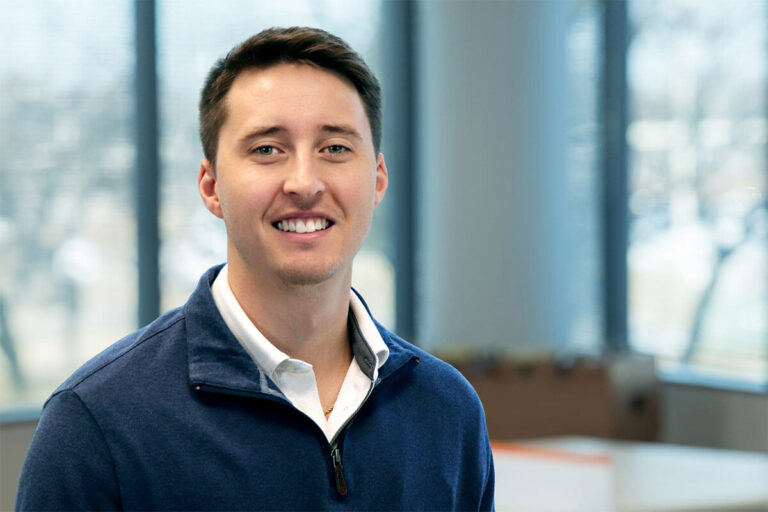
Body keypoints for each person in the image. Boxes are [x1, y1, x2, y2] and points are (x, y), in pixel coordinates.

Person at [16, 26, 494, 511]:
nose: (304, 183)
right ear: (211, 185)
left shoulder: (445, 410)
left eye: (335, 148)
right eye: (267, 149)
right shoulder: (98, 424)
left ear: (377, 179)